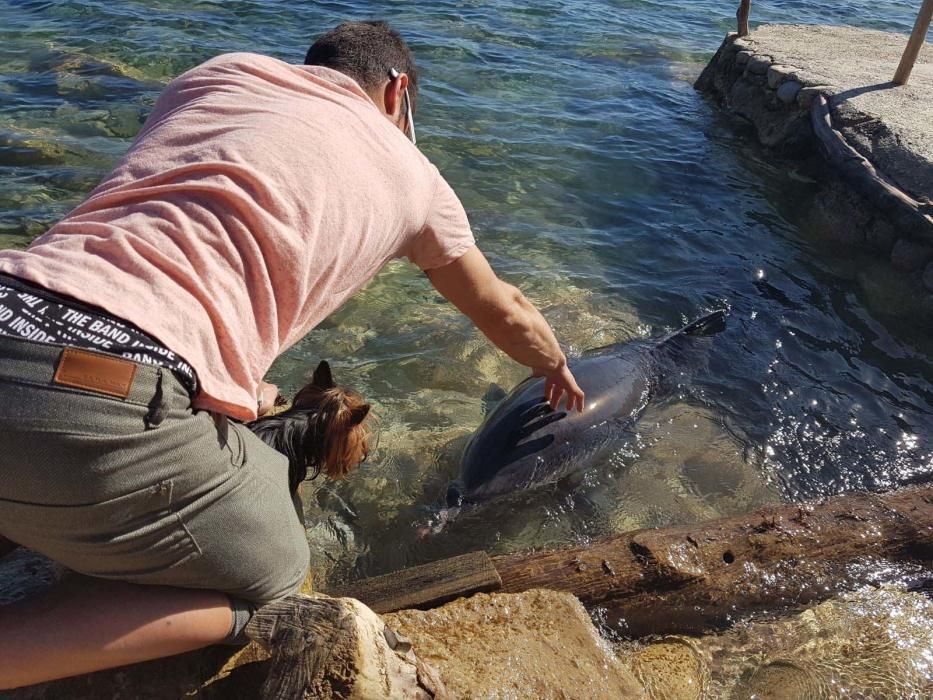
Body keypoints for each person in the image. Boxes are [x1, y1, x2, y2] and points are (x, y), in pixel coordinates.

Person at [0, 20, 584, 688]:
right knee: (271, 579)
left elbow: (182, 228)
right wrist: (551, 366)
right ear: (398, 91)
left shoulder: (221, 73)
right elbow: (501, 306)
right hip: (88, 394)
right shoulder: (415, 177)